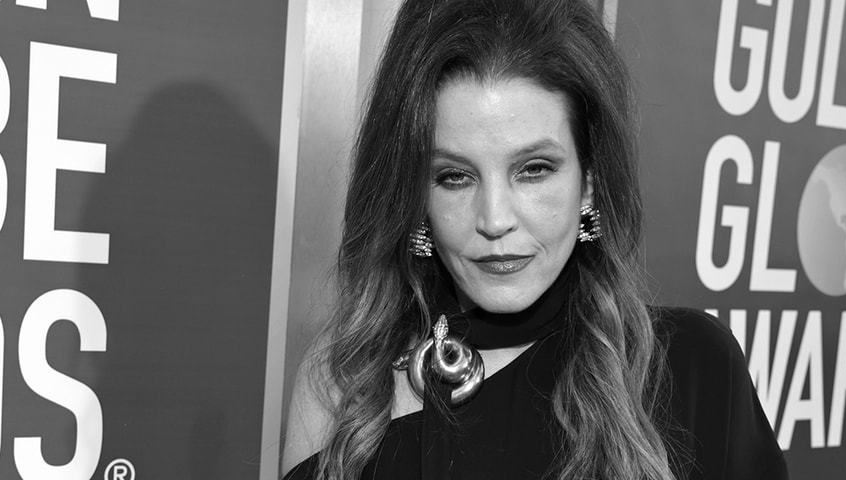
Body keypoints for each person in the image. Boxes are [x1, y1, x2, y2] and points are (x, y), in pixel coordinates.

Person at [282, 0, 788, 479]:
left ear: (589, 180)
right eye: (454, 176)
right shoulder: (347, 377)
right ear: (414, 195)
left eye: (534, 169)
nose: (495, 219)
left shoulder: (691, 367)